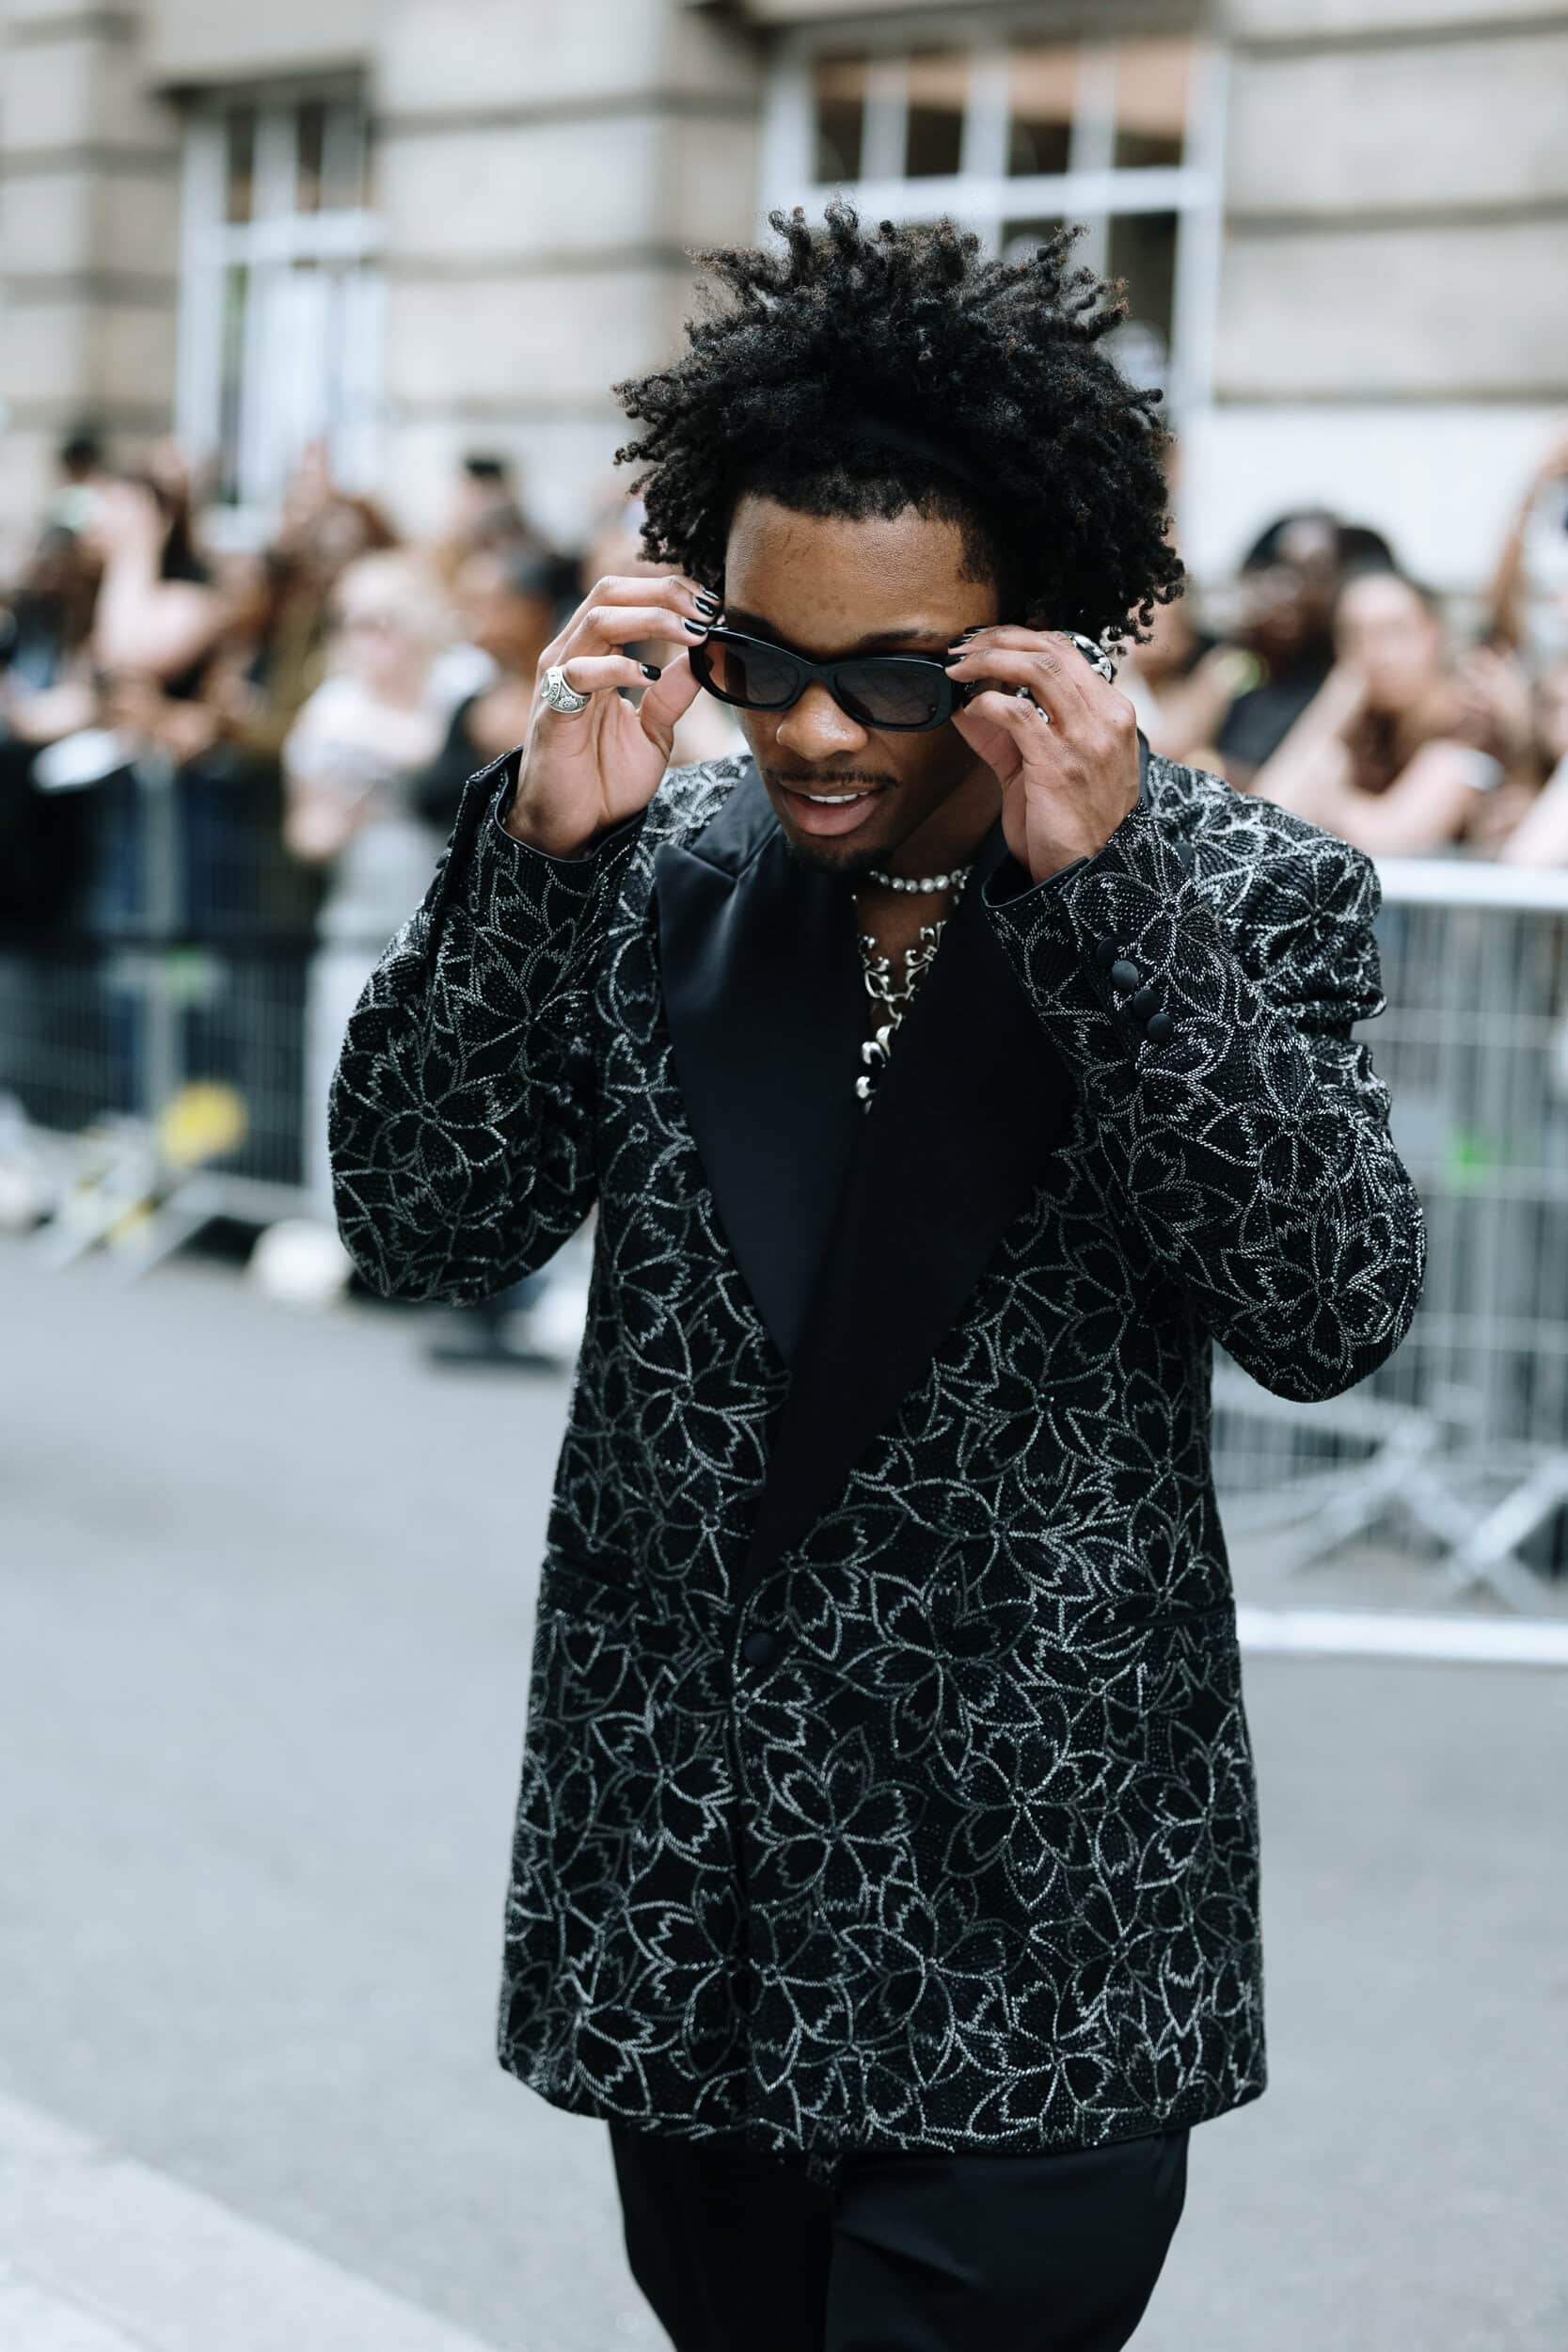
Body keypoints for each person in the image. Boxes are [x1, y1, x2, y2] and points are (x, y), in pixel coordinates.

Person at [328, 207, 1425, 2352]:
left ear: (1042, 638)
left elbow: (1328, 1309)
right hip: (696, 1903)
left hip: (1038, 1914)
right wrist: (537, 871)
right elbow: (418, 1228)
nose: (818, 733)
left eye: (898, 677)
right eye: (763, 661)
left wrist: (1105, 907)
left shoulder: (1227, 892)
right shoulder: (642, 859)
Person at [284, 549, 454, 1209]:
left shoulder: (455, 688)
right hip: (358, 928)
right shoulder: (330, 710)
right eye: (350, 623)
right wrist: (336, 817)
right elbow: (305, 832)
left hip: (448, 934)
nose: (363, 640)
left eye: (380, 622)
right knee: (342, 1088)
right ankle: (334, 1227)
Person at [1249, 566, 1533, 856]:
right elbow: (1261, 821)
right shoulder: (1361, 727)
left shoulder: (1470, 722)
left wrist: (1324, 802)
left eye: (1394, 631)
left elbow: (1390, 840)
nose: (1376, 652)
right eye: (1355, 635)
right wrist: (1331, 708)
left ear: (1432, 633)